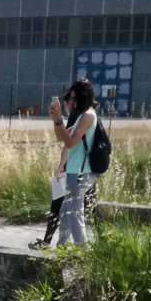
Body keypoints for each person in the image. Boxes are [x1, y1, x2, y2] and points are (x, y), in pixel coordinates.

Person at [30, 89, 98, 249]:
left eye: (69, 101)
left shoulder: (83, 116)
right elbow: (63, 138)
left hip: (79, 171)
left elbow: (68, 142)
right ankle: (61, 245)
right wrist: (57, 121)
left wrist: (61, 165)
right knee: (67, 209)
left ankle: (79, 248)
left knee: (71, 210)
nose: (67, 104)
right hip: (80, 170)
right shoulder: (82, 115)